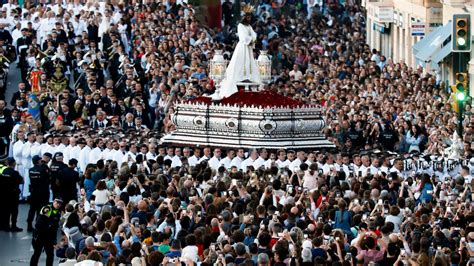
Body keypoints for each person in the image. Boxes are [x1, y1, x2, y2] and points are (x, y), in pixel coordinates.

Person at [216, 5, 261, 99]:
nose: (249, 19)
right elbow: (244, 38)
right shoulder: (240, 26)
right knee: (240, 62)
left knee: (249, 62)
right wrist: (252, 39)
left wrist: (252, 38)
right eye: (247, 17)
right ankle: (241, 76)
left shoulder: (249, 26)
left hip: (248, 48)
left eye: (250, 17)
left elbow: (254, 35)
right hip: (242, 47)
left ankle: (248, 76)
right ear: (244, 17)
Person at [30, 198, 62, 266]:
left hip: (49, 237)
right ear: (54, 201)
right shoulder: (47, 208)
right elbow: (43, 223)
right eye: (57, 202)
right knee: (37, 254)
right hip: (40, 235)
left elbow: (55, 228)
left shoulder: (58, 212)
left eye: (60, 203)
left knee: (50, 255)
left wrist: (54, 241)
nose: (58, 204)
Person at [27, 155, 50, 232]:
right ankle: (39, 225)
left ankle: (29, 225)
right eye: (40, 160)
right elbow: (48, 179)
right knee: (41, 209)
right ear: (38, 161)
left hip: (33, 192)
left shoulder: (30, 170)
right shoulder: (43, 169)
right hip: (42, 192)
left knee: (32, 209)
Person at [0, 157, 23, 232]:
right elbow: (22, 181)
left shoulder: (4, 171)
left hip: (4, 194)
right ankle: (13, 226)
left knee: (5, 210)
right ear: (14, 163)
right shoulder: (15, 173)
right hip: (13, 194)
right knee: (14, 211)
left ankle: (4, 226)